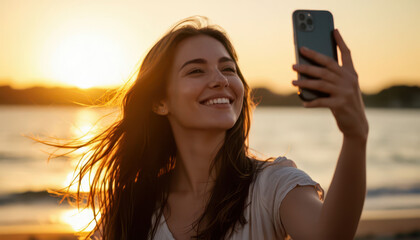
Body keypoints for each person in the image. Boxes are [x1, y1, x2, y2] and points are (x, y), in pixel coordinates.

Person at [61, 16, 368, 240]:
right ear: (160, 102)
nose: (220, 79)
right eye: (196, 70)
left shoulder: (273, 185)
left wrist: (355, 136)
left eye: (228, 69)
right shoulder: (132, 205)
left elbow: (329, 236)